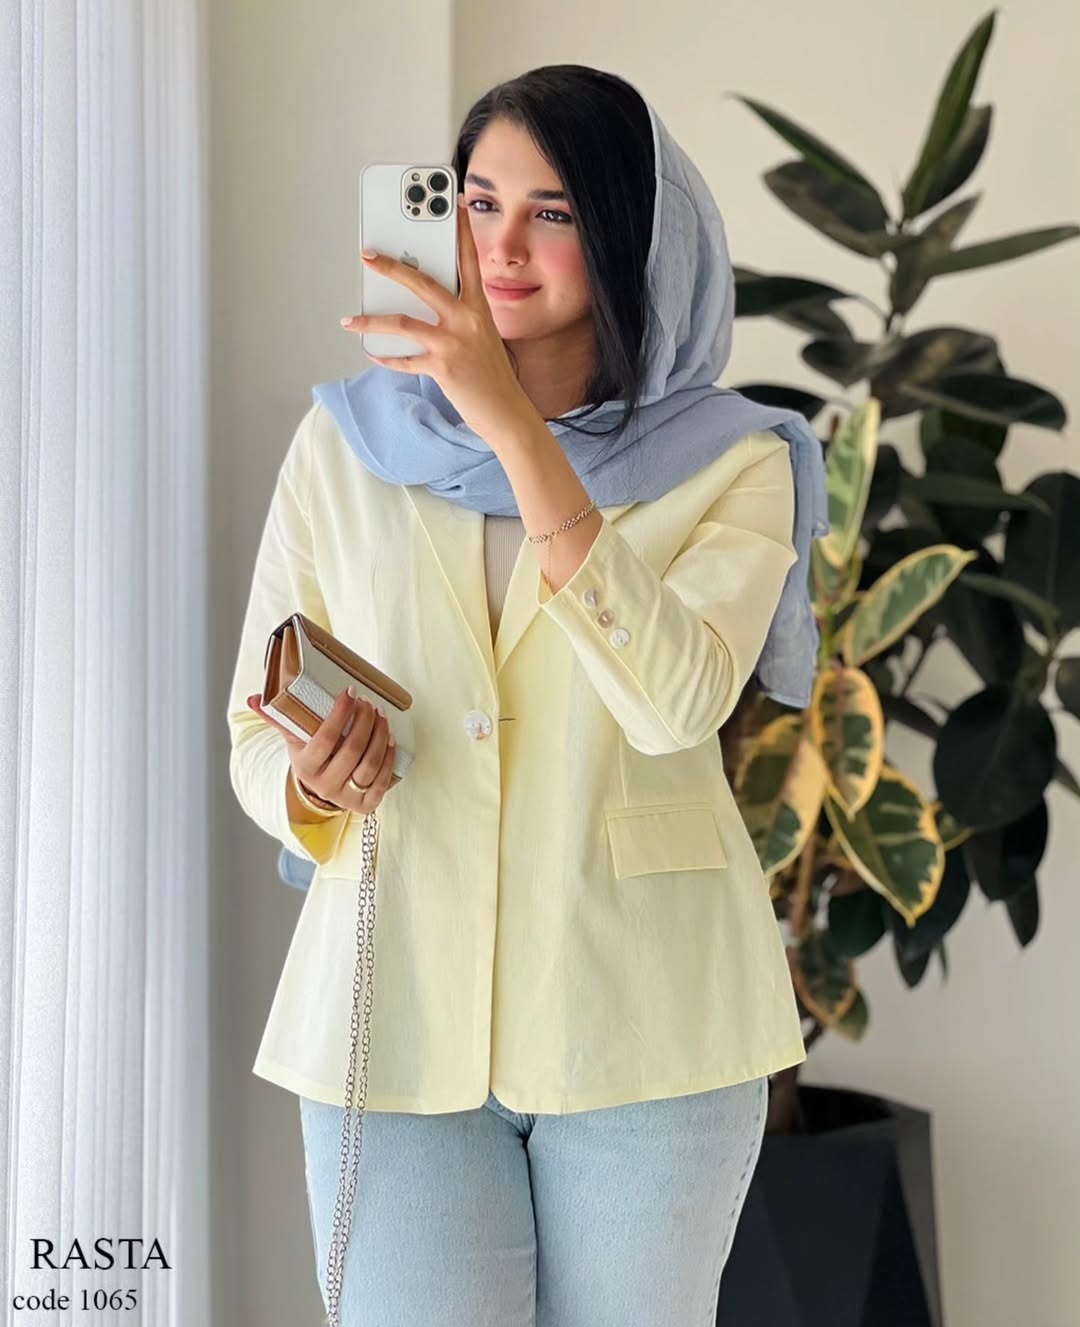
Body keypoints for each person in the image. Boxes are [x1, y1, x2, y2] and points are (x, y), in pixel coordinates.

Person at [226, 63, 828, 1327]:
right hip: (392, 1019)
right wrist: (311, 786)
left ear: (631, 236)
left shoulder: (735, 461)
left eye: (550, 212)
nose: (500, 246)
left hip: (653, 1035)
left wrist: (516, 433)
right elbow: (251, 730)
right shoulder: (345, 445)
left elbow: (677, 704)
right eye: (479, 201)